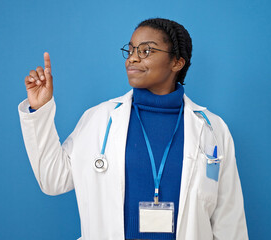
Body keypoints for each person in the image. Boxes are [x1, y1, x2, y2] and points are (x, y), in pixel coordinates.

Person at [18, 18, 248, 240]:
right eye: (130, 50)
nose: (132, 59)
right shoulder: (99, 119)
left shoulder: (212, 129)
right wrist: (40, 109)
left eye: (146, 51)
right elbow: (53, 179)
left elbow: (229, 220)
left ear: (177, 62)